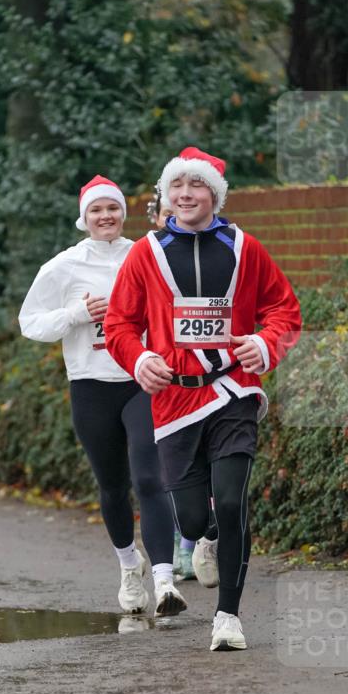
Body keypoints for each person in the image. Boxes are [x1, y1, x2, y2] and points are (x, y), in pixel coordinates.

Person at [105, 148, 301, 651]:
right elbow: (120, 324)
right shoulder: (145, 253)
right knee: (192, 519)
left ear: (214, 194)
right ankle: (207, 534)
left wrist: (263, 343)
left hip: (233, 391)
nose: (186, 195)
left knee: (233, 500)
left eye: (196, 186)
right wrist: (139, 359)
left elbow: (283, 308)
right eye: (177, 186)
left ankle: (228, 618)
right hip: (174, 401)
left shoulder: (244, 248)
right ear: (166, 195)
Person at [18, 175, 186, 619]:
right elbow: (29, 322)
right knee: (113, 488)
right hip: (91, 387)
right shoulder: (62, 268)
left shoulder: (146, 254)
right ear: (84, 219)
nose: (106, 216)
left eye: (112, 208)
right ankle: (131, 568)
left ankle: (166, 581)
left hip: (141, 379)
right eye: (97, 210)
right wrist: (76, 313)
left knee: (151, 479)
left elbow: (177, 306)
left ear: (122, 214)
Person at [147, 186, 196, 583]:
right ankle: (183, 544)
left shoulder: (220, 251)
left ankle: (200, 542)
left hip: (204, 378)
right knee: (170, 469)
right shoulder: (146, 256)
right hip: (157, 376)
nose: (172, 220)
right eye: (165, 214)